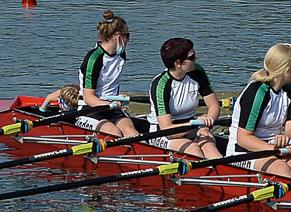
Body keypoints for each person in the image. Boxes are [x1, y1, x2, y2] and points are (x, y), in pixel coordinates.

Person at [228, 44, 291, 182]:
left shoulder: (289, 91)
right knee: (281, 169)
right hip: (243, 151)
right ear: (288, 70)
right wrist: (273, 148)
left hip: (276, 148)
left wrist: (287, 138)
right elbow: (243, 138)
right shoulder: (257, 91)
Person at [148, 37, 220, 159]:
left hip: (192, 125)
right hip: (163, 133)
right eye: (191, 57)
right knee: (193, 149)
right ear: (178, 63)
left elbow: (214, 106)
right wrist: (197, 125)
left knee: (209, 146)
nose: (196, 59)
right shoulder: (161, 84)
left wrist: (205, 125)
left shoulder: (198, 72)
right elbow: (166, 128)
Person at [76, 11, 139, 139]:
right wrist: (109, 105)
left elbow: (111, 86)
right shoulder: (94, 59)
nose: (128, 39)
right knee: (114, 134)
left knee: (133, 135)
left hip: (111, 108)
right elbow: (89, 97)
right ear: (118, 37)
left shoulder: (121, 55)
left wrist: (117, 97)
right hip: (89, 109)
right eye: (127, 35)